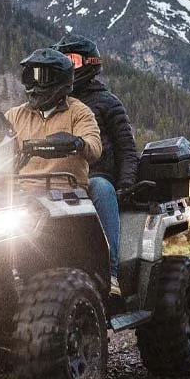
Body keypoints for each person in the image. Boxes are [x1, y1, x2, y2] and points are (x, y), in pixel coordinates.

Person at [55, 35, 136, 281]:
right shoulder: (51, 104)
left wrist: (126, 184)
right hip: (58, 177)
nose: (67, 67)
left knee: (101, 188)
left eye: (72, 61)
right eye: (61, 61)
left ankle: (110, 272)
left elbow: (127, 149)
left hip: (97, 175)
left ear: (89, 63)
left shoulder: (107, 102)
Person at [4, 47, 103, 194]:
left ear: (61, 80)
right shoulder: (15, 115)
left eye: (41, 77)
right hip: (21, 193)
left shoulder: (78, 112)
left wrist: (78, 143)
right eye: (29, 77)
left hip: (66, 190)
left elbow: (94, 146)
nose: (34, 85)